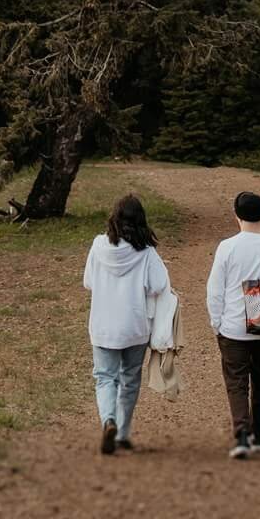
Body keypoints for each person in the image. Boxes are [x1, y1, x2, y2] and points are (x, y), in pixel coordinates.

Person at [205, 190, 260, 460]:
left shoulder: (227, 247)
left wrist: (216, 322)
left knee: (236, 382)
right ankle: (259, 435)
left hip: (232, 327)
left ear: (237, 215)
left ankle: (241, 435)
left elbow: (215, 291)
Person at [83, 194, 170, 455]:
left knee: (105, 377)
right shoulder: (146, 253)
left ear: (115, 219)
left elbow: (88, 281)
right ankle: (122, 433)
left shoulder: (98, 246)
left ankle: (108, 419)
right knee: (130, 379)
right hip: (135, 326)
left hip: (103, 325)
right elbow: (159, 285)